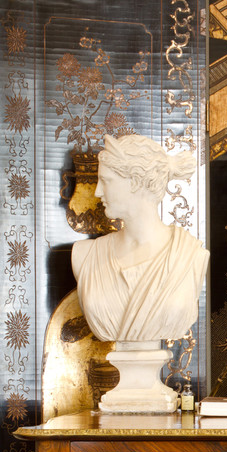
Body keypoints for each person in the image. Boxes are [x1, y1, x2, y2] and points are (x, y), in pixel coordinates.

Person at [72, 134, 209, 344]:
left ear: (135, 182)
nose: (98, 192)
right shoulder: (85, 255)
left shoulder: (190, 256)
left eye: (106, 181)